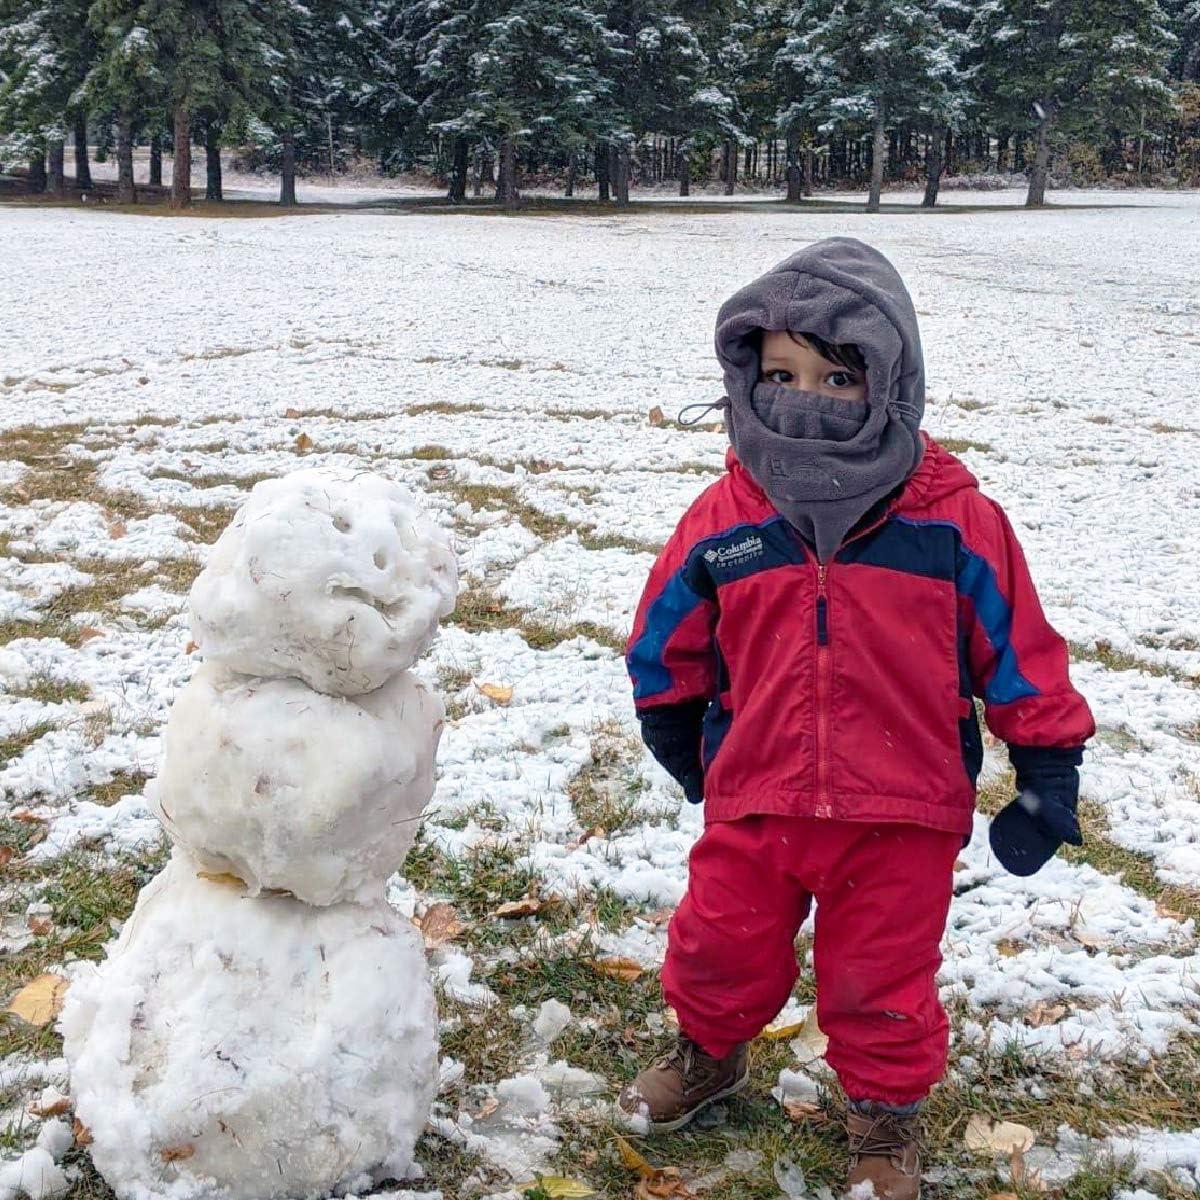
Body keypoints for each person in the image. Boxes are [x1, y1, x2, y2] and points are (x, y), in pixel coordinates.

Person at [619, 237, 1094, 1200]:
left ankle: (884, 1118)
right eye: (781, 372)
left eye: (838, 377)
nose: (806, 396)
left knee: (881, 980)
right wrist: (671, 722)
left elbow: (1018, 648)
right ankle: (712, 1049)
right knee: (719, 942)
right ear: (745, 376)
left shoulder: (953, 522)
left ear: (890, 382)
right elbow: (669, 627)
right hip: (757, 789)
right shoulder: (728, 518)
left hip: (902, 806)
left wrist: (1047, 766)